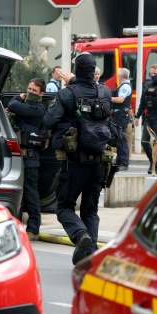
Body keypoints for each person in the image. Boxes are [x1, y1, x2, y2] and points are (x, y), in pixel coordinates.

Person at [43, 52, 113, 265]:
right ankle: (88, 255)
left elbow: (48, 121)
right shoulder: (105, 92)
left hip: (75, 162)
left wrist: (70, 84)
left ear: (77, 69)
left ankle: (80, 236)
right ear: (94, 70)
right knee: (90, 210)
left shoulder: (66, 94)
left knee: (64, 206)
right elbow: (87, 87)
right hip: (100, 161)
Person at [7, 78, 46, 241]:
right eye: (29, 89)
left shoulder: (38, 109)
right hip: (17, 156)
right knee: (18, 192)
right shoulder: (25, 108)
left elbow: (14, 105)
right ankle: (17, 226)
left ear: (41, 94)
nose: (30, 92)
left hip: (30, 157)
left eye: (34, 91)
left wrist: (17, 97)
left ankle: (33, 229)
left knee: (31, 193)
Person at [111, 67, 132, 171]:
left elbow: (120, 99)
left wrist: (107, 98)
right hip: (119, 115)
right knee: (119, 138)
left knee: (122, 138)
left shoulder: (125, 87)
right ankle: (119, 160)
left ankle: (124, 162)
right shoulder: (123, 86)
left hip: (121, 115)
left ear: (121, 76)